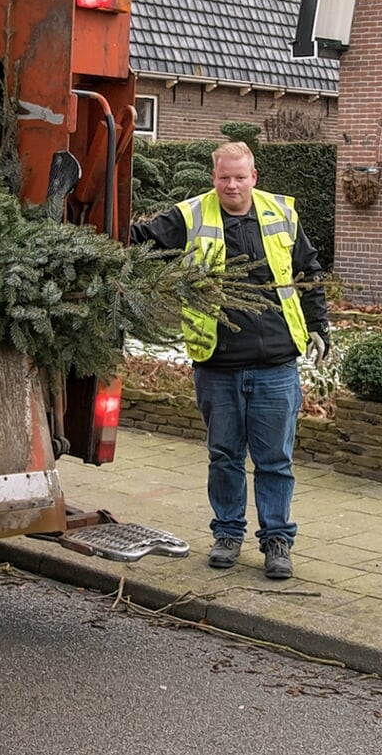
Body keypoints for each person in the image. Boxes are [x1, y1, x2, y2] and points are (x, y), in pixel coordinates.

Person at [129, 141, 328, 581]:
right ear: (214, 178)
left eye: (240, 177)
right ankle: (227, 535)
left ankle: (277, 540)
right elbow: (137, 238)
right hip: (217, 362)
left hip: (275, 362)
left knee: (275, 460)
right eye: (224, 178)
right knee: (224, 457)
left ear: (254, 177)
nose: (232, 185)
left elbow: (308, 271)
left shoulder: (281, 213)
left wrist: (320, 326)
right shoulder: (191, 215)